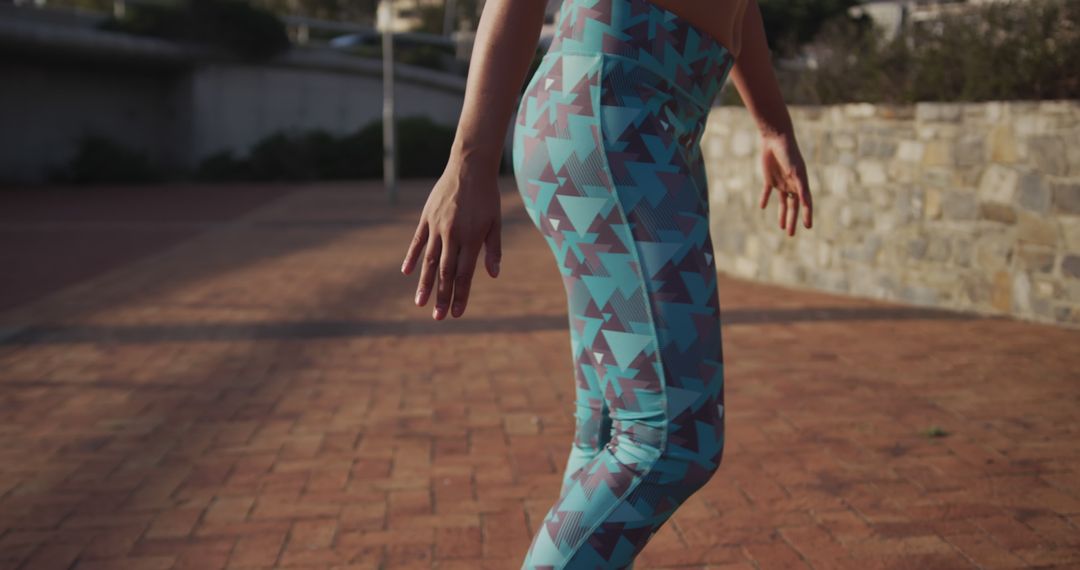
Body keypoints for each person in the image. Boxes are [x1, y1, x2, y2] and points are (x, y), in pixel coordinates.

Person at [401, 0, 813, 566]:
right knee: (671, 438)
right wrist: (469, 159)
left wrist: (772, 122)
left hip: (651, 114)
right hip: (612, 102)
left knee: (610, 431)